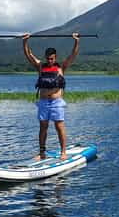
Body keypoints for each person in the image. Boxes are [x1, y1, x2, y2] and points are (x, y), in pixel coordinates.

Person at [22, 32, 80, 161]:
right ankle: (42, 153)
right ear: (45, 57)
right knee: (43, 127)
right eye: (48, 58)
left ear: (55, 57)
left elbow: (73, 55)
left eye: (52, 58)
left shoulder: (61, 67)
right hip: (43, 102)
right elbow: (29, 55)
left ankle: (63, 152)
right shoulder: (40, 66)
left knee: (59, 126)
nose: (50, 61)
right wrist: (25, 41)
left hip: (56, 102)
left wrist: (76, 41)